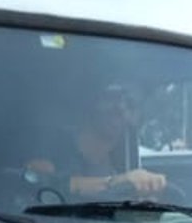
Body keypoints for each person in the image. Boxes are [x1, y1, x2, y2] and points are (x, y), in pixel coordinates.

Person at [26, 79, 167, 200]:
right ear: (92, 102)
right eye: (112, 97)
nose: (120, 108)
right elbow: (38, 183)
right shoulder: (54, 145)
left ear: (136, 119)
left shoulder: (119, 165)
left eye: (130, 104)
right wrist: (114, 183)